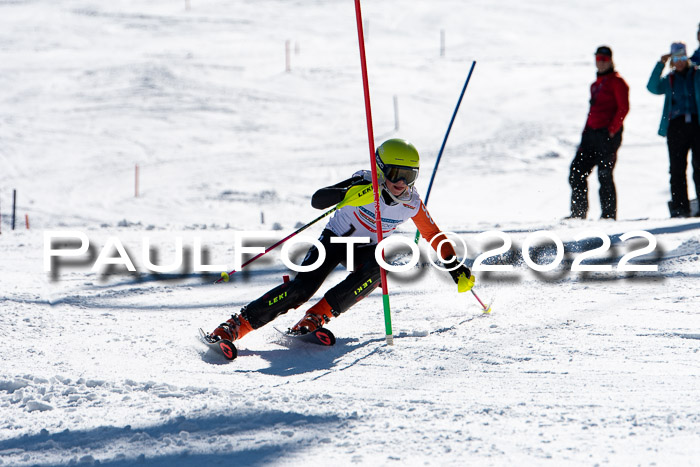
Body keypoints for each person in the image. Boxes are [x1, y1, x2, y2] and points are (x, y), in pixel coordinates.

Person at [206, 139, 475, 343]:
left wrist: (454, 265)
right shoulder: (364, 181)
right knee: (302, 288)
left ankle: (318, 315)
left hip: (365, 250)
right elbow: (318, 200)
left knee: (380, 267)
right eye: (395, 173)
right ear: (381, 168)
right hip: (335, 240)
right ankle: (235, 326)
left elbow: (433, 235)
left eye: (409, 175)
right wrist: (348, 193)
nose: (401, 182)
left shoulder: (412, 204)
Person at [567, 46, 630, 220]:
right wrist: (584, 135)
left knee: (605, 174)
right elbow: (592, 112)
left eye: (604, 59)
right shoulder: (595, 84)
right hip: (590, 135)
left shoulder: (617, 82)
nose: (600, 62)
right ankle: (578, 214)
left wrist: (612, 130)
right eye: (598, 59)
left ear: (610, 60)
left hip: (607, 135)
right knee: (576, 171)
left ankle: (608, 216)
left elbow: (623, 108)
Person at [647, 42, 700, 218]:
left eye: (682, 57)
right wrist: (660, 64)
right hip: (676, 127)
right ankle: (680, 208)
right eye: (676, 58)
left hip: (696, 125)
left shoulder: (696, 75)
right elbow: (652, 87)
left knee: (699, 166)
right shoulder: (669, 79)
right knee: (677, 169)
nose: (680, 62)